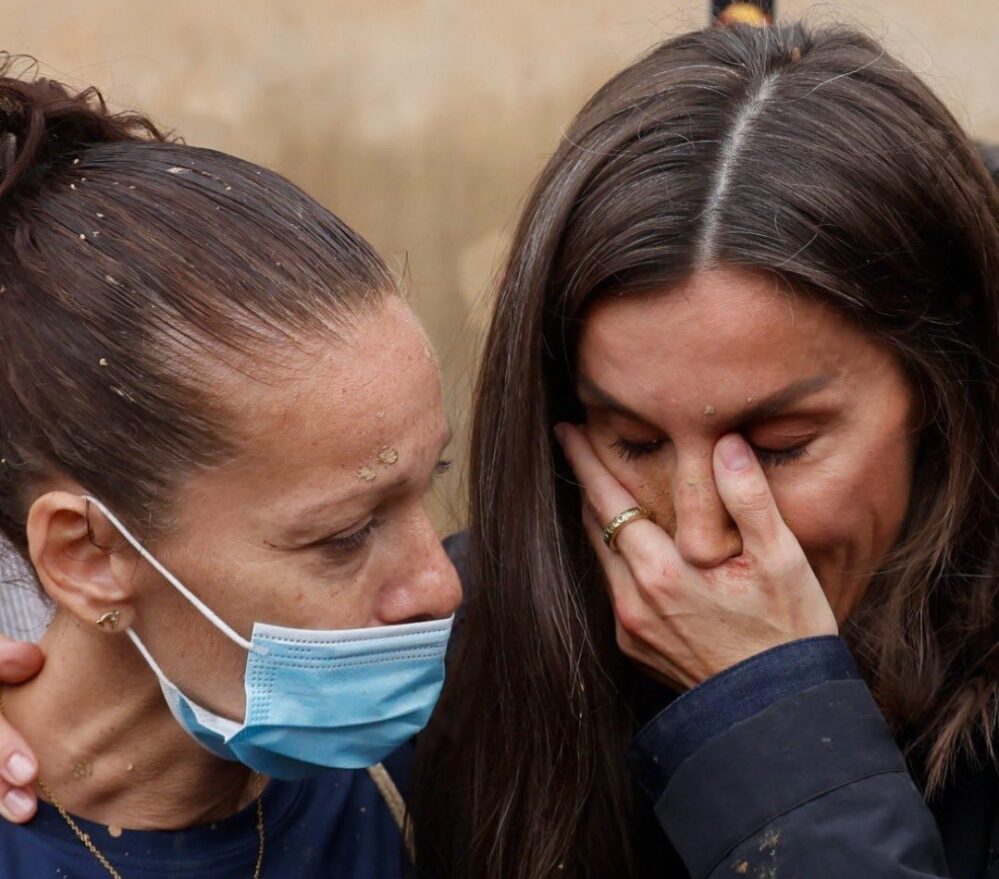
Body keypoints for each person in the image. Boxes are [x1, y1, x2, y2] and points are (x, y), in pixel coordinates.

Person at [412, 22, 999, 879]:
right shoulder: (451, 655)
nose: (697, 535)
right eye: (635, 441)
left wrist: (771, 720)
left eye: (778, 448)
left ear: (942, 398)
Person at [0, 59, 461, 876]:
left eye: (429, 484)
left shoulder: (442, 781)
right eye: (345, 535)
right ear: (87, 555)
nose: (438, 585)